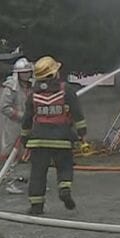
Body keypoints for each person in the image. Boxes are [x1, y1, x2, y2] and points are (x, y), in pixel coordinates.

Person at [20, 56, 86, 215]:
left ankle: (36, 206)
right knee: (64, 166)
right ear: (54, 73)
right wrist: (82, 134)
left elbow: (27, 119)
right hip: (62, 140)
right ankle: (64, 189)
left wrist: (25, 138)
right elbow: (77, 114)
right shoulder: (66, 90)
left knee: (37, 173)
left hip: (38, 141)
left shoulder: (33, 94)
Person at [0, 57, 34, 195]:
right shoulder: (11, 87)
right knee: (10, 154)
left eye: (28, 72)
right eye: (24, 72)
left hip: (31, 124)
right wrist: (21, 116)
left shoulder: (33, 86)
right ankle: (9, 183)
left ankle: (36, 182)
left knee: (34, 152)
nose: (27, 75)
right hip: (14, 125)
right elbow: (4, 107)